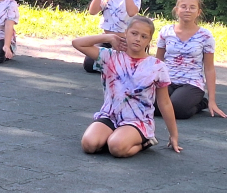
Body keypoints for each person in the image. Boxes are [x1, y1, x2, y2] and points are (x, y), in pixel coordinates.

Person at [71, 16, 181, 158]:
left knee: (116, 148)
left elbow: (164, 102)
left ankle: (144, 142)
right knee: (89, 145)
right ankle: (113, 137)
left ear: (149, 40)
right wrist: (110, 37)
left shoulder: (157, 66)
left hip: (137, 121)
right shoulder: (110, 56)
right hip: (110, 116)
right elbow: (77, 43)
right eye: (134, 33)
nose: (138, 39)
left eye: (144, 36)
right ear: (125, 33)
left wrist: (173, 135)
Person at [155, 0, 227, 119]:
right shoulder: (166, 31)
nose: (187, 10)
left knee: (177, 108)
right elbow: (158, 61)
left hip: (192, 83)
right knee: (151, 105)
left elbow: (209, 68)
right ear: (176, 10)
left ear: (198, 12)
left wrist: (212, 100)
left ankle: (201, 103)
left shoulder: (205, 36)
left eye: (192, 7)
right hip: (167, 81)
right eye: (183, 6)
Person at [83, 0, 141, 73]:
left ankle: (114, 65)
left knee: (127, 66)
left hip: (124, 39)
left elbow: (132, 12)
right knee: (89, 64)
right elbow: (92, 11)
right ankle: (112, 65)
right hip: (106, 38)